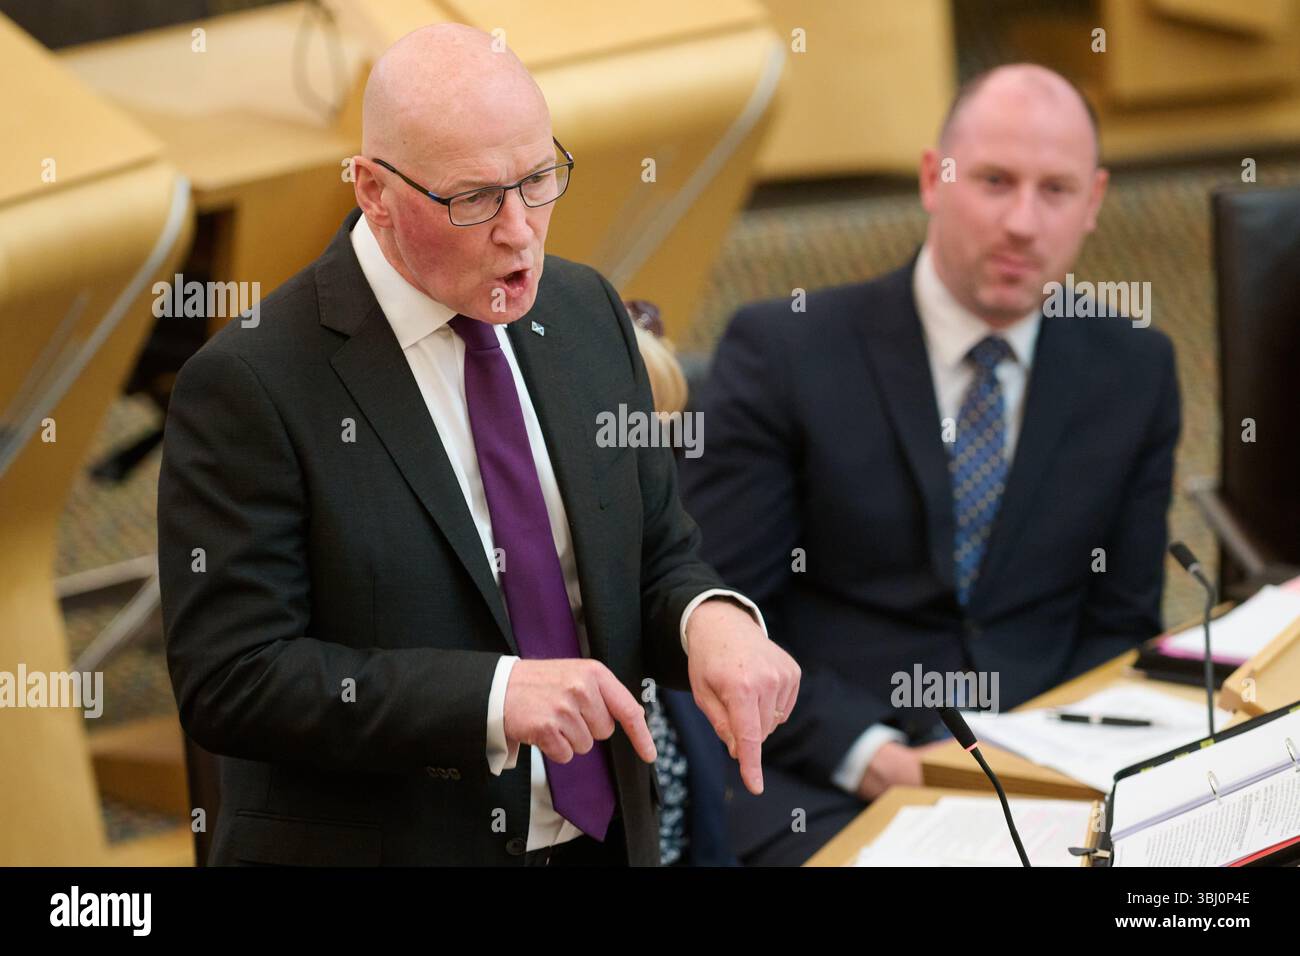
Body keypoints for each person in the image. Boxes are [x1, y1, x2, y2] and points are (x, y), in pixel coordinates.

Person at [157, 23, 799, 867]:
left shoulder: (585, 313)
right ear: (373, 192)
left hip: (603, 839)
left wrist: (706, 619)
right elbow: (234, 680)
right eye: (473, 199)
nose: (520, 231)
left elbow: (653, 556)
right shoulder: (250, 384)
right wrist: (496, 696)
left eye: (539, 180)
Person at [680, 64, 1180, 865]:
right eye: (993, 181)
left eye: (1056, 191)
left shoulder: (1136, 369)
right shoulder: (785, 351)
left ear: (1093, 204)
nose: (1023, 221)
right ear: (931, 180)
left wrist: (1049, 759)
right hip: (822, 773)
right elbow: (725, 617)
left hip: (1046, 776)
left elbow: (1120, 620)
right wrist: (872, 756)